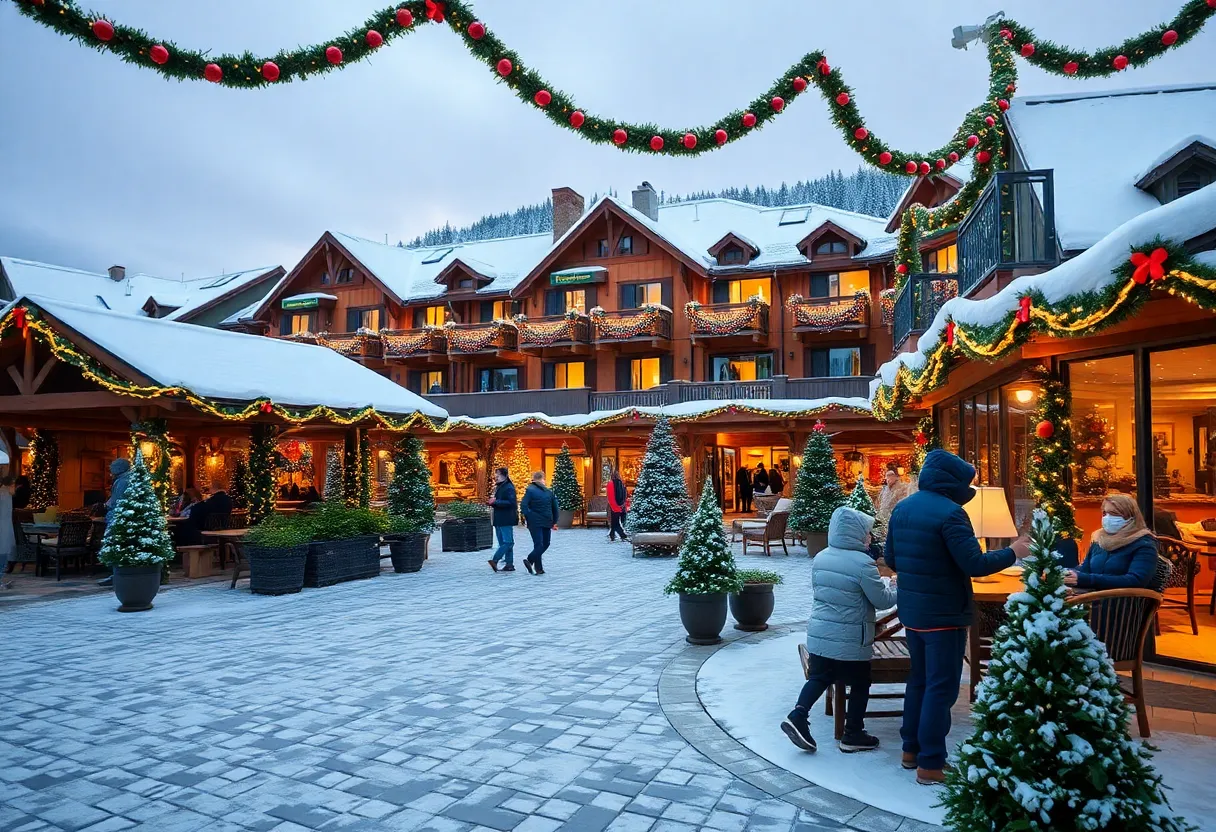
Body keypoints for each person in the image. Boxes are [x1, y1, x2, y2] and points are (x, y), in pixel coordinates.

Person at [884, 449, 1029, 785]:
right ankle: (932, 763)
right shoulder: (951, 514)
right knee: (942, 687)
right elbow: (975, 565)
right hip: (945, 614)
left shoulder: (903, 508)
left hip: (914, 612)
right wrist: (1013, 552)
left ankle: (911, 750)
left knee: (919, 680)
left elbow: (891, 557)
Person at [781, 506, 897, 754]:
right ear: (854, 535)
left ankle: (798, 714)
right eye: (866, 533)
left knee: (819, 677)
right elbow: (883, 601)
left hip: (821, 634)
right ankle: (853, 733)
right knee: (860, 681)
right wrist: (897, 587)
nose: (869, 538)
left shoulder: (821, 557)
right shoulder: (863, 564)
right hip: (851, 639)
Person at [1065, 494, 1157, 591]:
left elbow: (1136, 580)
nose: (1108, 518)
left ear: (1129, 517)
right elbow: (1085, 570)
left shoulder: (1144, 544)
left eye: (1114, 513)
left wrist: (1086, 580)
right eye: (1105, 513)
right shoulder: (1099, 540)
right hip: (1091, 599)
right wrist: (1068, 573)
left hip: (1121, 602)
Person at [98, 458, 133, 587]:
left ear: (120, 468)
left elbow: (118, 501)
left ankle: (117, 574)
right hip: (117, 516)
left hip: (118, 518)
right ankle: (116, 573)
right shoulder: (122, 480)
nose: (111, 469)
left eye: (113, 466)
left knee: (115, 544)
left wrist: (110, 509)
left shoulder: (123, 481)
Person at [520, 470, 558, 575]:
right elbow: (555, 508)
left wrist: (529, 515)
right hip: (547, 520)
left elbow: (523, 505)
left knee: (539, 544)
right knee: (545, 543)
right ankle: (533, 563)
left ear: (534, 479)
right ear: (543, 479)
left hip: (534, 522)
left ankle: (535, 565)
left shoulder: (529, 490)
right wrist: (554, 521)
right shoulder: (549, 492)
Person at [487, 467, 518, 572]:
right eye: (495, 474)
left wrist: (496, 502)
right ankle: (508, 564)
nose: (496, 477)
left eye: (498, 475)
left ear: (504, 476)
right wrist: (493, 502)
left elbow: (511, 503)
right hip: (499, 518)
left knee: (508, 542)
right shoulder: (499, 487)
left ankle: (497, 560)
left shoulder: (508, 487)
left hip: (506, 518)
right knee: (505, 543)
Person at [607, 469, 630, 542]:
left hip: (614, 506)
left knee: (615, 522)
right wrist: (623, 505)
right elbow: (625, 495)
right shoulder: (622, 484)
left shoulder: (611, 483)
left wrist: (614, 506)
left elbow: (610, 496)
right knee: (615, 522)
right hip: (621, 506)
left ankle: (622, 535)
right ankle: (612, 534)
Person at [0, 476, 15, 588]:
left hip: (5, 527)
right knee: (3, 554)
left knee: (3, 554)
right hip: (3, 528)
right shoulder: (3, 495)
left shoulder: (5, 494)